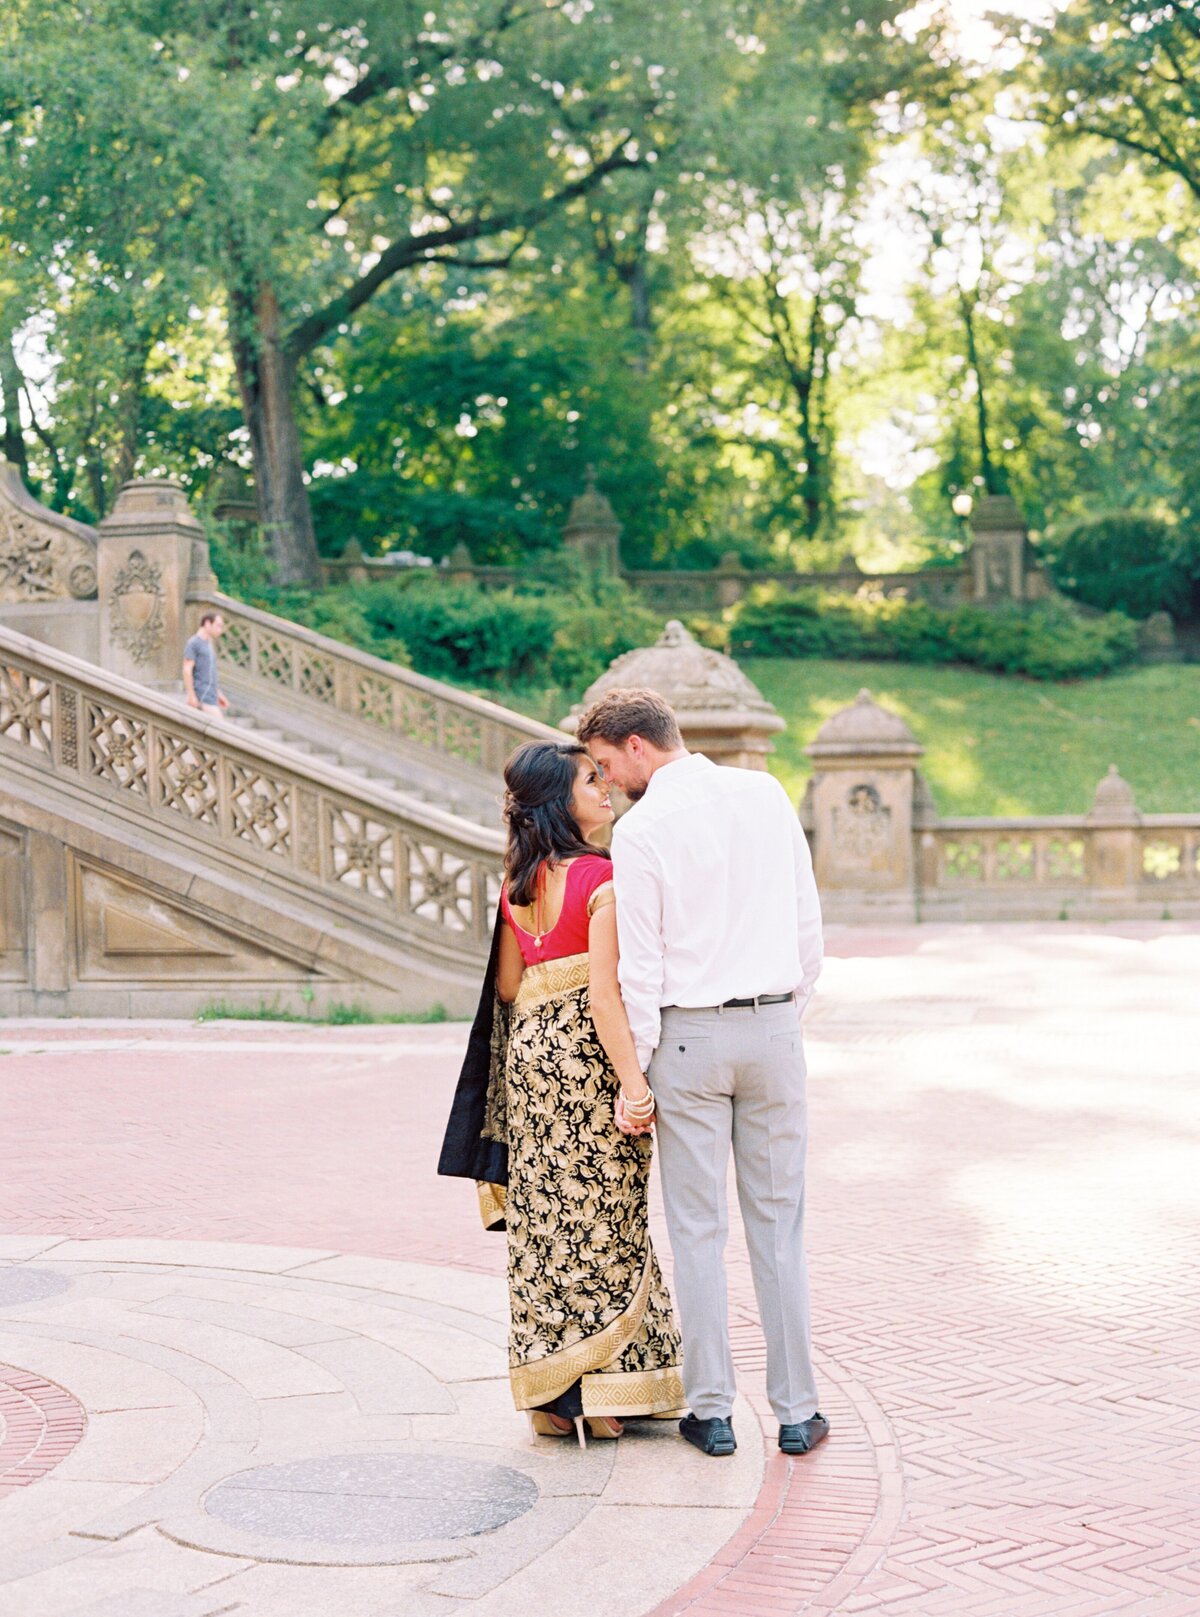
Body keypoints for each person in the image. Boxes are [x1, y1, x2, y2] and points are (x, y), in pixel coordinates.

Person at [576, 687, 826, 1460]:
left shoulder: (643, 826)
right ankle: (796, 1412)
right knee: (778, 1225)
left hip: (687, 1036)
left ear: (638, 745)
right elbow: (806, 918)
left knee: (696, 1229)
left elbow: (641, 965)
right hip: (774, 1025)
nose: (607, 780)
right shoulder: (765, 792)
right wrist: (787, 1011)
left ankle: (712, 1411)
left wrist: (638, 1074)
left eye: (607, 763)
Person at [438, 739, 684, 1446]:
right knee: (605, 1220)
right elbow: (606, 998)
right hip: (584, 1061)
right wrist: (634, 1087)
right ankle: (598, 1393)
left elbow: (511, 987)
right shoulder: (601, 877)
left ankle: (550, 1393)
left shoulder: (519, 881)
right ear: (559, 799)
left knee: (548, 1223)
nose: (605, 790)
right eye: (590, 780)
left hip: (529, 1063)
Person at [182, 612, 229, 717]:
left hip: (211, 697)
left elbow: (208, 673)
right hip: (201, 696)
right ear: (207, 623)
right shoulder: (194, 643)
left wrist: (218, 694)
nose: (220, 630)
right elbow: (187, 669)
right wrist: (191, 695)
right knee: (221, 729)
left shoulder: (208, 644)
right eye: (218, 626)